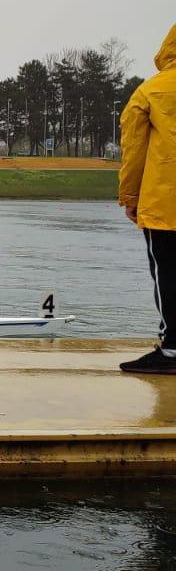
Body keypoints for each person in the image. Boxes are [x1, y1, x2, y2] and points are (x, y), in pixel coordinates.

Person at [118, 23, 176, 374]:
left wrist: (130, 197)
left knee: (168, 271)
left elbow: (134, 151)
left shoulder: (150, 91)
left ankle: (172, 350)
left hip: (165, 203)